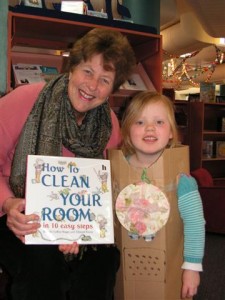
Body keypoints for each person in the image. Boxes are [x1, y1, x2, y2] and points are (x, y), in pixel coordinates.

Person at [0, 27, 136, 300]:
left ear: (112, 88)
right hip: (16, 218)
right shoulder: (25, 100)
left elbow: (103, 188)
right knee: (42, 263)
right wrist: (8, 204)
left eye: (104, 79)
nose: (92, 86)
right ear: (72, 67)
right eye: (87, 71)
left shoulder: (109, 124)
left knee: (104, 259)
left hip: (76, 226)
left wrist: (82, 230)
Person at [120, 91, 205, 299]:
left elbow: (195, 224)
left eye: (159, 122)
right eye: (139, 122)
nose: (149, 128)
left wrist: (192, 267)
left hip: (169, 266)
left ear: (170, 133)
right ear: (128, 131)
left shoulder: (182, 180)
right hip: (125, 265)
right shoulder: (116, 172)